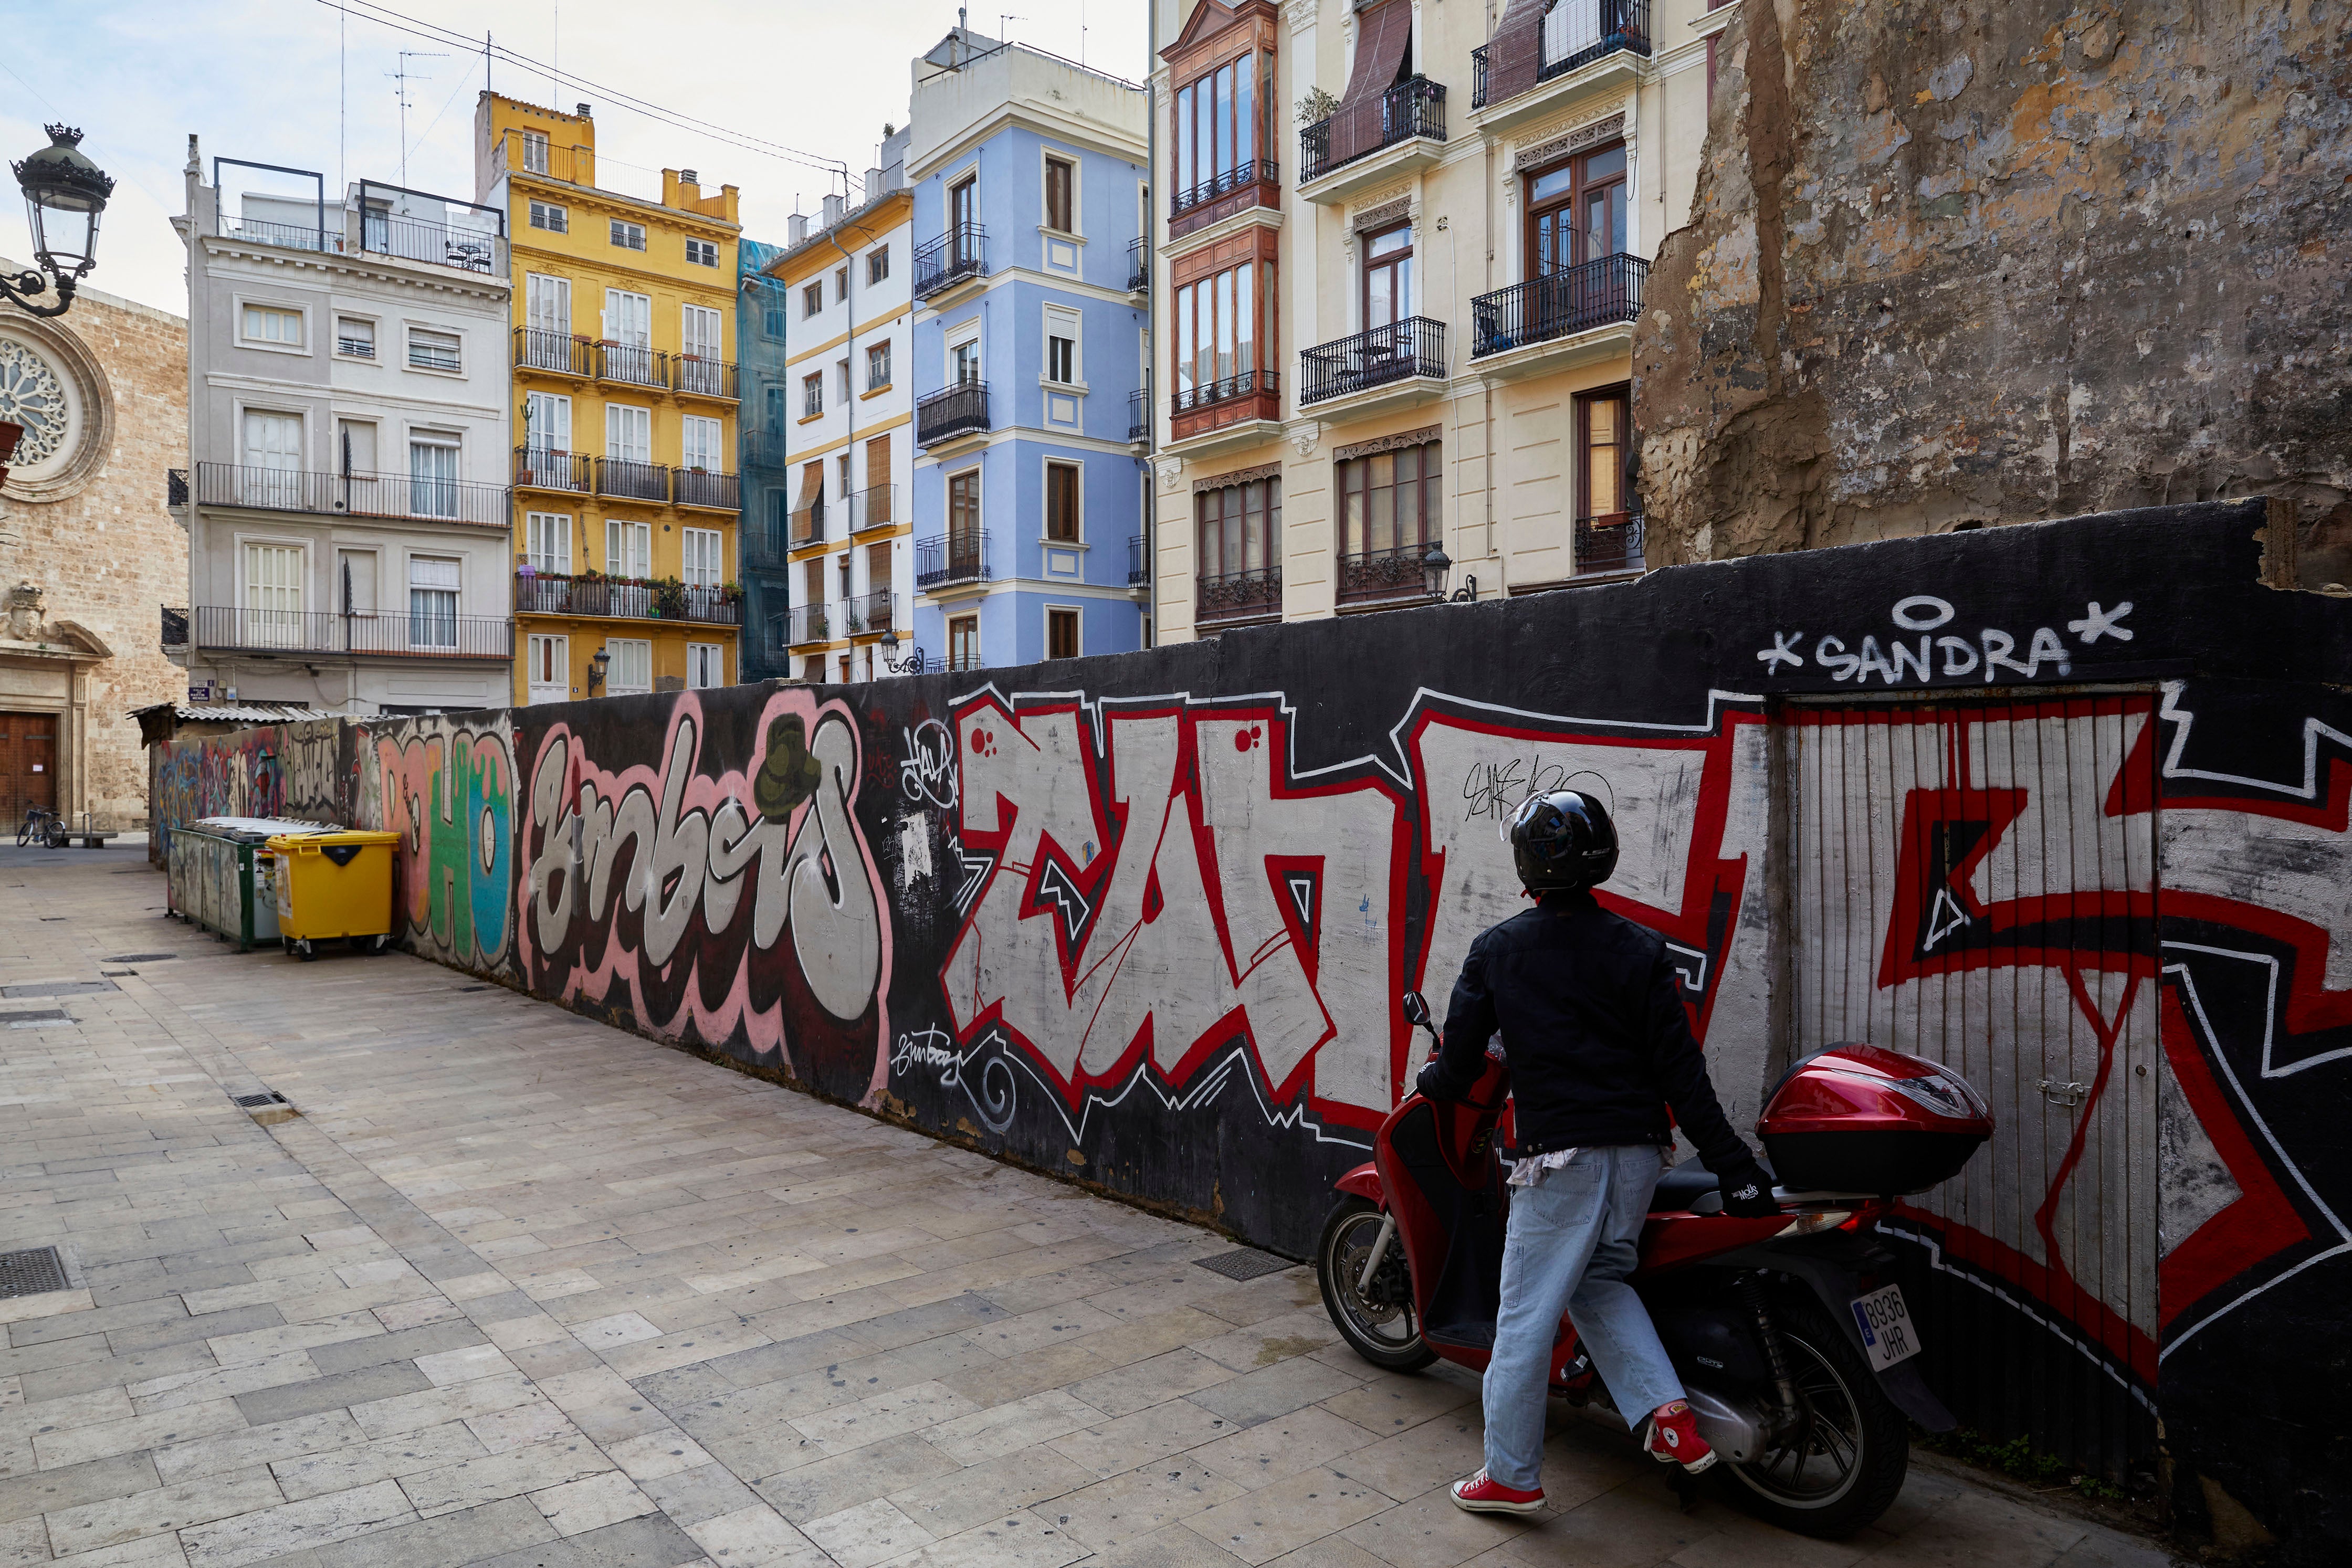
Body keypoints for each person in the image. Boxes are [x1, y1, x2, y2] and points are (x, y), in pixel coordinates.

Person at [1420, 788, 1781, 1516]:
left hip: (1560, 1162)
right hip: (1639, 1158)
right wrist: (1735, 1167)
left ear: (1527, 867)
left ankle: (1512, 1476)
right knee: (1598, 1282)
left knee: (1522, 1318)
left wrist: (1435, 1078)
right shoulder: (1641, 950)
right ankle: (1670, 1418)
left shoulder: (1497, 950)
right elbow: (1684, 1074)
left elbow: (1459, 1066)